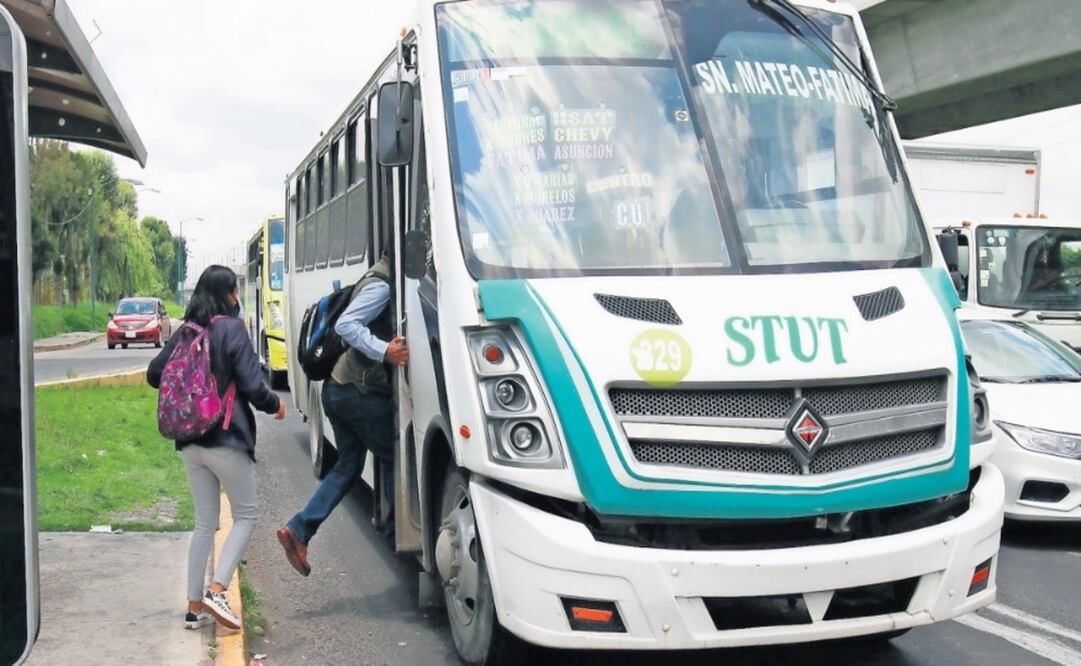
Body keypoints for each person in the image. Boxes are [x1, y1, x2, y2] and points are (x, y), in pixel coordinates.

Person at [148, 265, 285, 630]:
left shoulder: (185, 333)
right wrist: (277, 405)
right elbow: (254, 386)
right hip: (225, 438)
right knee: (246, 515)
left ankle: (193, 608)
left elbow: (153, 374)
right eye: (235, 291)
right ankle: (218, 589)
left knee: (204, 523)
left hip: (190, 442)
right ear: (229, 294)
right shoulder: (231, 329)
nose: (238, 297)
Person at [277, 254, 408, 577]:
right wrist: (386, 351)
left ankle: (298, 529)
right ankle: (397, 533)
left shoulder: (376, 277)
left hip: (337, 390)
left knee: (347, 467)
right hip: (354, 392)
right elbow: (345, 325)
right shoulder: (383, 287)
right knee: (398, 454)